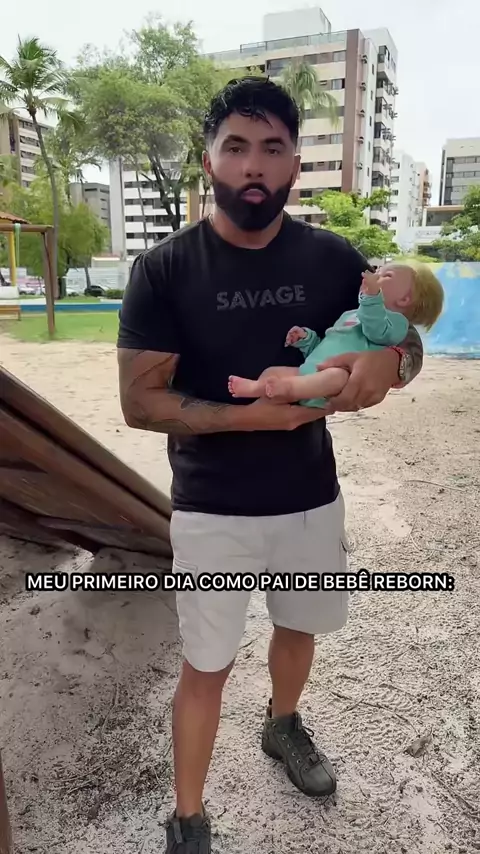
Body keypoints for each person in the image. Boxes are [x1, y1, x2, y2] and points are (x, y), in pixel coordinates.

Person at [116, 76, 424, 854]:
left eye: (273, 148)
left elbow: (403, 335)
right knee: (206, 664)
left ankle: (283, 725)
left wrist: (392, 365)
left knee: (298, 627)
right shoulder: (164, 270)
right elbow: (140, 402)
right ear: (210, 161)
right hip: (211, 509)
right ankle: (188, 819)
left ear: (293, 165)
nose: (254, 165)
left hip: (308, 498)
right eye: (236, 147)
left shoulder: (333, 258)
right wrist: (252, 416)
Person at [228, 263, 443, 407]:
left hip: (333, 382)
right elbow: (328, 347)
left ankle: (287, 390)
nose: (375, 274)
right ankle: (257, 388)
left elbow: (376, 329)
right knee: (273, 371)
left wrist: (371, 297)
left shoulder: (396, 323)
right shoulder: (350, 315)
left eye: (386, 275)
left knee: (335, 376)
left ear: (405, 299)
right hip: (311, 371)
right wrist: (307, 340)